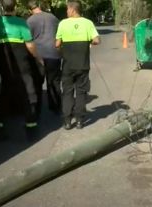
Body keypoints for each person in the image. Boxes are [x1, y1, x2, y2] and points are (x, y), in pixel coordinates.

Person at [0, 0, 43, 139]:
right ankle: (31, 128)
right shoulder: (20, 23)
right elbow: (30, 45)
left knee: (5, 94)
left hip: (5, 66)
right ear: (15, 7)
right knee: (28, 93)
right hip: (22, 66)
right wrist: (38, 58)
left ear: (2, 8)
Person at [56, 0, 100, 130]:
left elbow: (57, 44)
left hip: (68, 65)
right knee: (81, 92)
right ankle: (80, 121)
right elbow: (97, 40)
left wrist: (62, 49)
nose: (66, 11)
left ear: (72, 9)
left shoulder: (63, 23)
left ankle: (67, 121)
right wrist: (88, 41)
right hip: (83, 64)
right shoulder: (88, 23)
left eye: (67, 9)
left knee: (67, 92)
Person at [27, 1, 62, 115]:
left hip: (38, 56)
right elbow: (59, 34)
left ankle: (37, 109)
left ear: (30, 9)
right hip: (54, 53)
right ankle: (56, 106)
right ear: (39, 6)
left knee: (37, 83)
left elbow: (28, 40)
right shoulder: (53, 18)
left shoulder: (30, 21)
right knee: (54, 81)